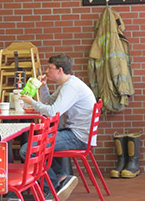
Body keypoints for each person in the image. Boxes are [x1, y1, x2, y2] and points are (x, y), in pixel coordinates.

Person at [19, 54, 96, 201]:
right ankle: (61, 177)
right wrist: (44, 87)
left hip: (78, 137)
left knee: (27, 150)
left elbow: (53, 111)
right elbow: (49, 103)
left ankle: (51, 190)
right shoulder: (67, 84)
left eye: (50, 68)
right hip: (75, 132)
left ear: (60, 70)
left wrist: (32, 102)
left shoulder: (71, 87)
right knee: (34, 147)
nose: (46, 71)